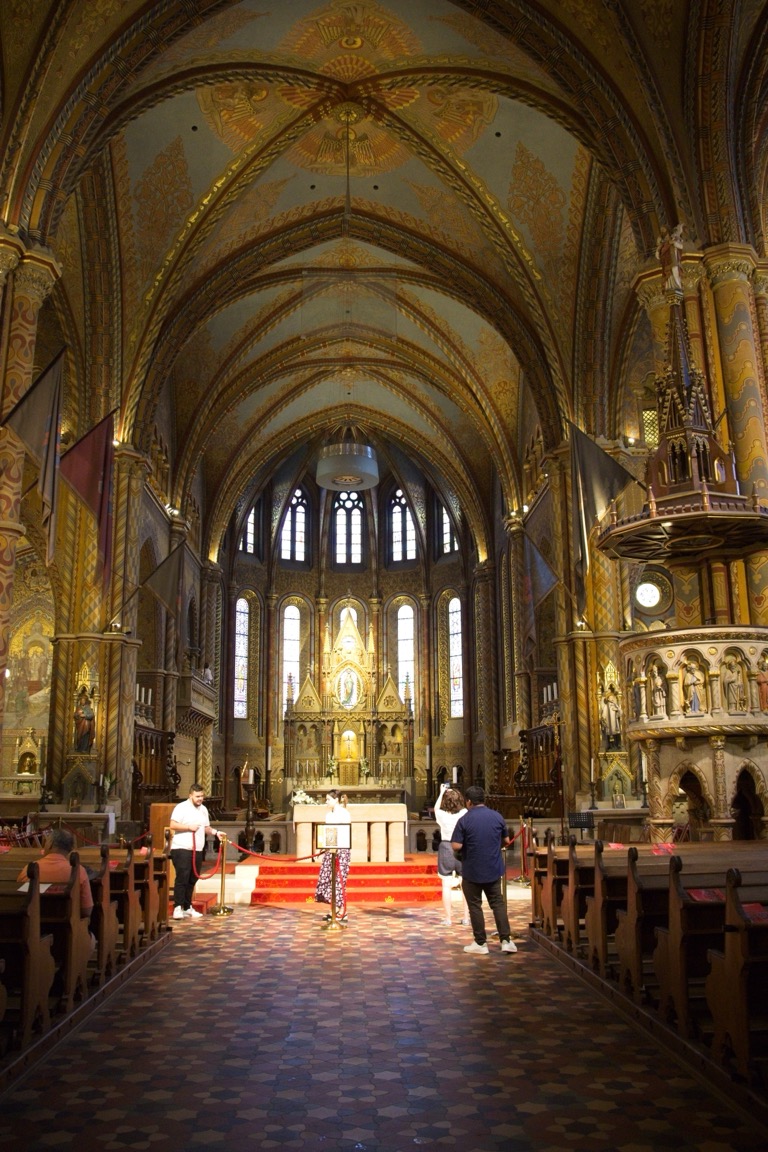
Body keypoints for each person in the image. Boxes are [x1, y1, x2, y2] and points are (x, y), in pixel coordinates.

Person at [451, 785, 516, 955]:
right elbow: (507, 840)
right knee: (498, 904)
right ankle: (506, 941)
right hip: (493, 868)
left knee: (475, 906)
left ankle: (480, 943)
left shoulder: (464, 820)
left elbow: (456, 845)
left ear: (469, 801)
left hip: (472, 870)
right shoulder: (497, 816)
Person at [17, 827, 95, 953]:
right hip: (67, 936)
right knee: (90, 938)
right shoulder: (78, 871)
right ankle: (68, 970)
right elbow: (87, 911)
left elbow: (19, 902)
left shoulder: (29, 869)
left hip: (32, 934)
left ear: (50, 843)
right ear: (70, 849)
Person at [169, 783, 220, 921]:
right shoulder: (181, 807)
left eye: (202, 796)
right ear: (190, 795)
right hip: (182, 847)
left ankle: (187, 907)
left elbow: (206, 827)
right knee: (182, 877)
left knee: (193, 877)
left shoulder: (203, 809)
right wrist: (187, 827)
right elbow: (172, 825)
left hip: (197, 848)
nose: (200, 799)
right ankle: (177, 907)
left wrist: (216, 833)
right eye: (197, 796)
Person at [434, 783, 470, 927]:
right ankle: (466, 918)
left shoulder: (441, 814)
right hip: (461, 847)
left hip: (446, 847)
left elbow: (436, 808)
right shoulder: (464, 813)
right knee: (465, 885)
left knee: (446, 885)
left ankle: (448, 919)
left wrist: (442, 792)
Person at [314, 789, 351, 921]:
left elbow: (344, 832)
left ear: (336, 800)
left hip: (341, 850)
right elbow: (327, 832)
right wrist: (321, 847)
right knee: (328, 879)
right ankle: (334, 909)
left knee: (339, 881)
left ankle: (342, 911)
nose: (327, 802)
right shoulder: (329, 815)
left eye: (329, 799)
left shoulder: (344, 813)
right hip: (331, 851)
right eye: (326, 799)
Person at [600, 682, 622, 749]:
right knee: (609, 734)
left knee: (616, 734)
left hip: (615, 723)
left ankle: (617, 744)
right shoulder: (606, 706)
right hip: (609, 724)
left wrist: (617, 710)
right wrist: (604, 721)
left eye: (613, 697)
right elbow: (603, 715)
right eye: (611, 697)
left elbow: (620, 713)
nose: (612, 698)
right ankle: (610, 746)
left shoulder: (615, 705)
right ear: (608, 698)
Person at [74, 686, 95, 753]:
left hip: (86, 725)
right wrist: (78, 714)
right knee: (79, 736)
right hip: (79, 725)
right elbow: (75, 715)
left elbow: (91, 715)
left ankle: (85, 749)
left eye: (83, 700)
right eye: (81, 700)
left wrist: (84, 715)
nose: (82, 701)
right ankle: (79, 748)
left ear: (85, 701)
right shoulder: (78, 707)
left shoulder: (88, 708)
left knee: (85, 736)